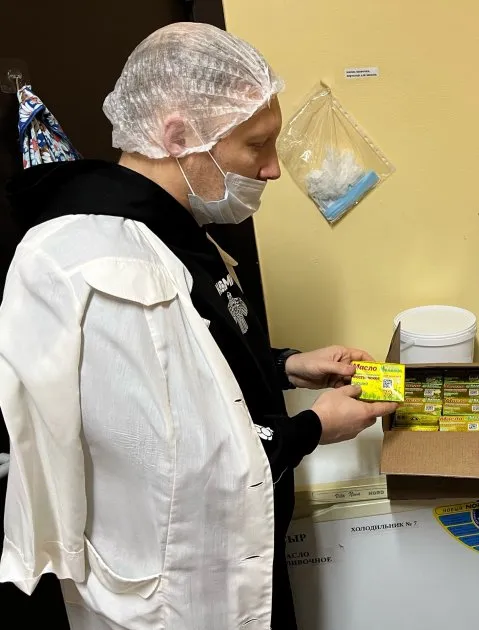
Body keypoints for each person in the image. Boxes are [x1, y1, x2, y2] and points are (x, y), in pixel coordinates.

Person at [0, 23, 396, 630]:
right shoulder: (111, 268)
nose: (273, 170)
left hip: (233, 558)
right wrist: (315, 426)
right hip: (181, 593)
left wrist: (286, 365)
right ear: (178, 136)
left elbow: (196, 361)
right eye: (256, 146)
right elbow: (183, 460)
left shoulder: (170, 229)